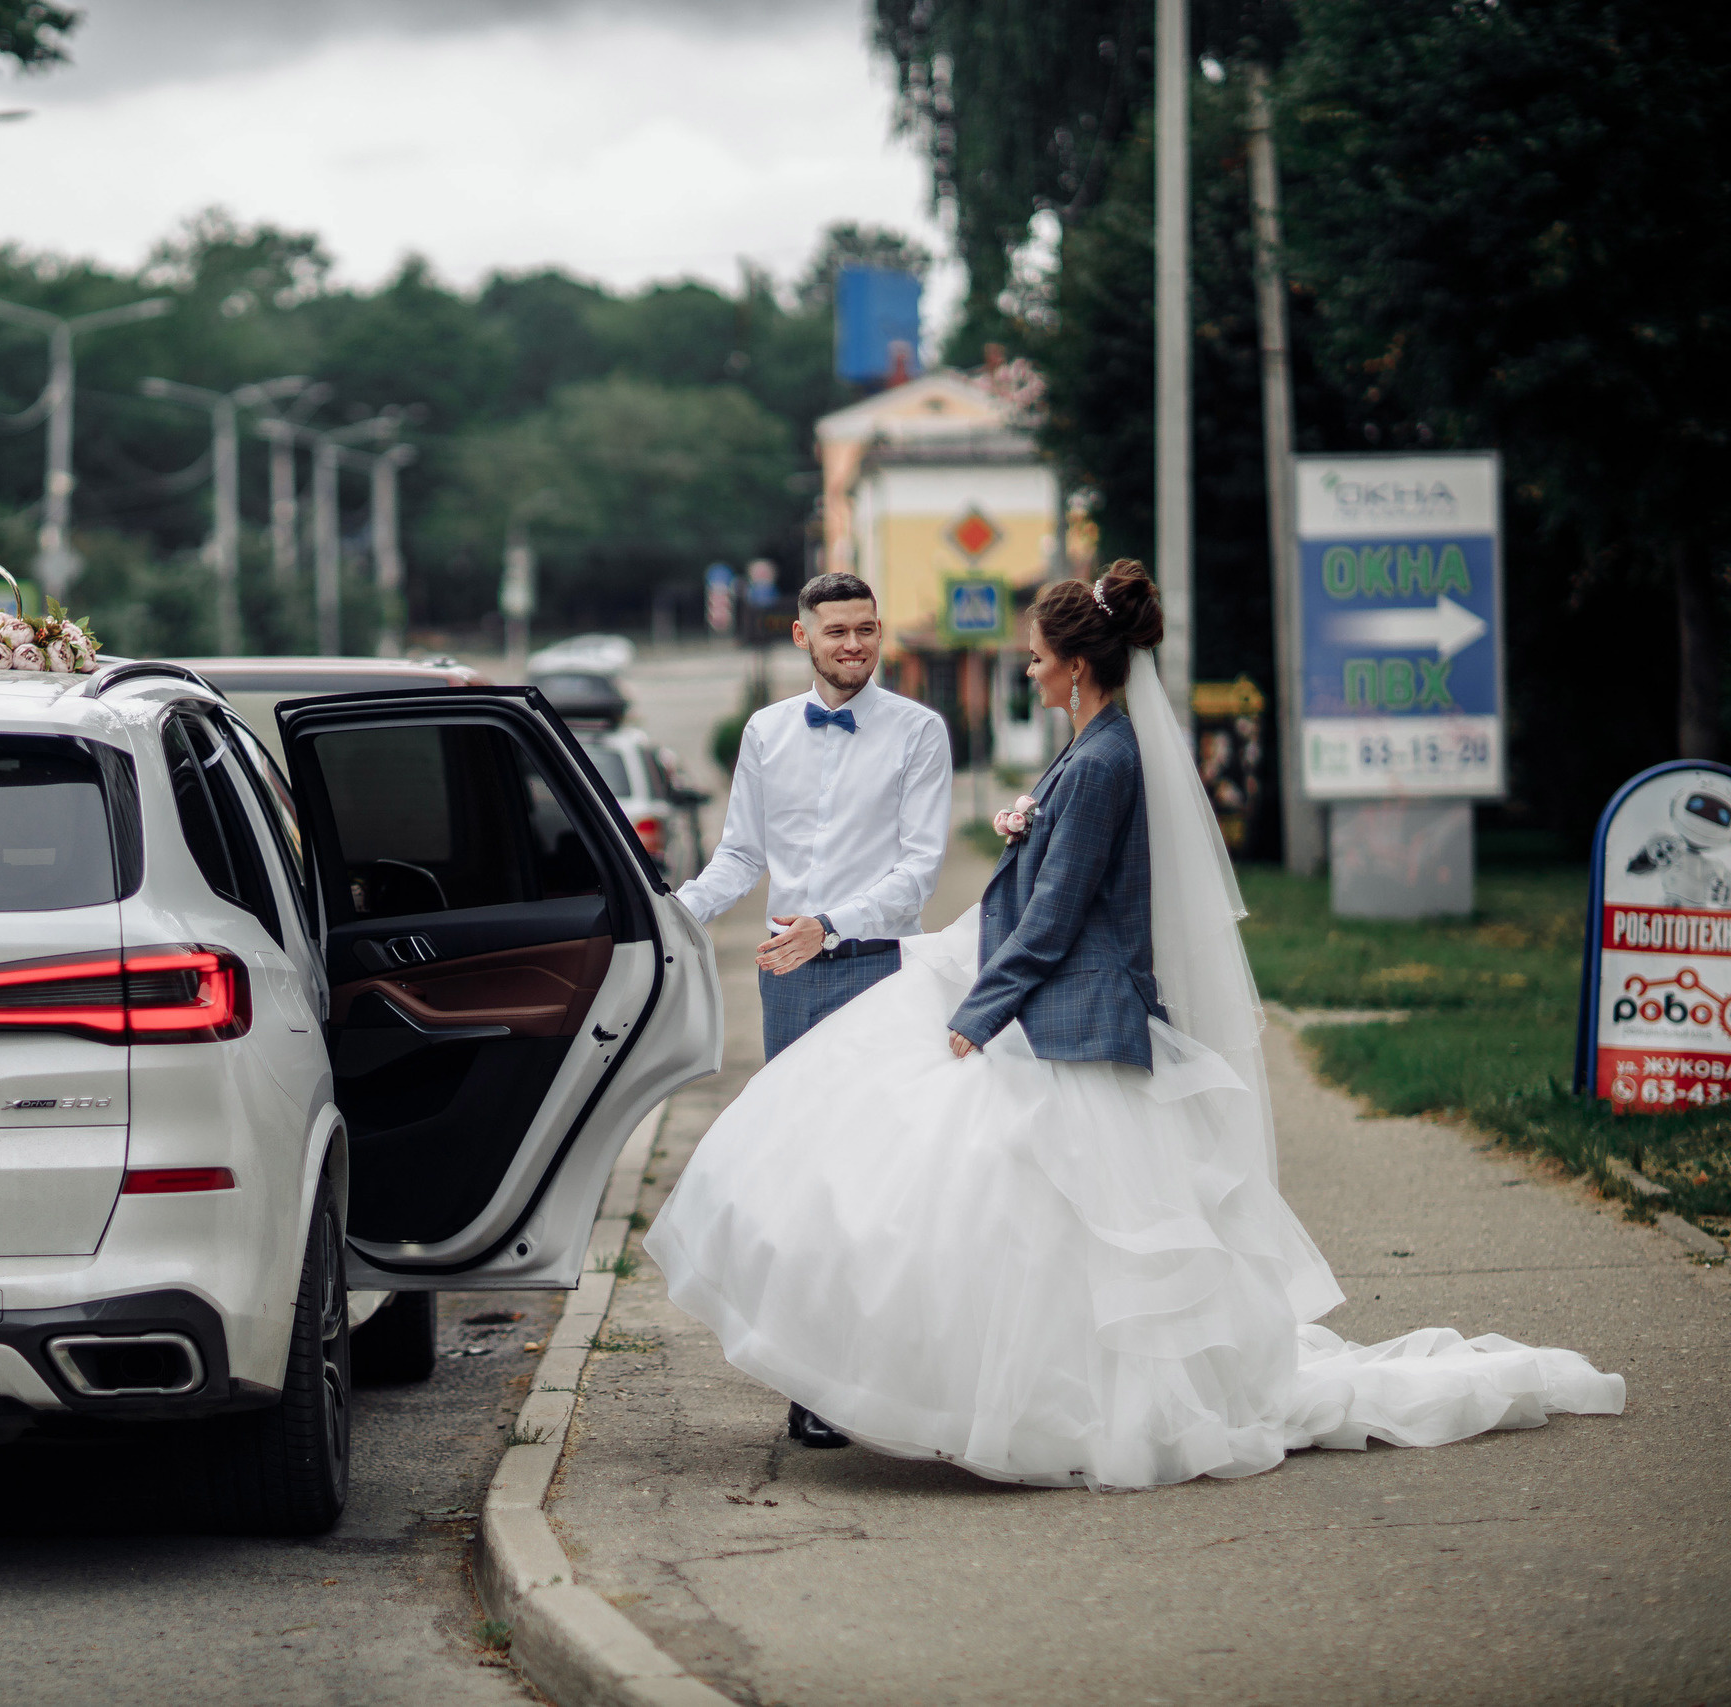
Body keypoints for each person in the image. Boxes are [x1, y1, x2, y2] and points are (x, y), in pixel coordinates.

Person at [646, 562, 1623, 1489]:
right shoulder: (1087, 749)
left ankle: (1051, 1403)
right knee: (999, 1217)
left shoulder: (1093, 757)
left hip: (1036, 1005)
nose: (1028, 669)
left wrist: (976, 1012)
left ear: (1076, 665)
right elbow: (1018, 880)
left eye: (1037, 657)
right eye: (840, 629)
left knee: (1043, 1222)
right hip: (962, 998)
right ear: (803, 634)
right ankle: (918, 1385)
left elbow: (1052, 914)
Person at [675, 570, 952, 1064]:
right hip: (787, 976)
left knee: (874, 1112)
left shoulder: (919, 731)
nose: (854, 645)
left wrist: (827, 925)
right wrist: (677, 912)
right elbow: (741, 855)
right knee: (787, 1112)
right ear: (802, 636)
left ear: (880, 631)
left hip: (883, 969)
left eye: (865, 630)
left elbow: (918, 873)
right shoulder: (765, 730)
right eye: (837, 631)